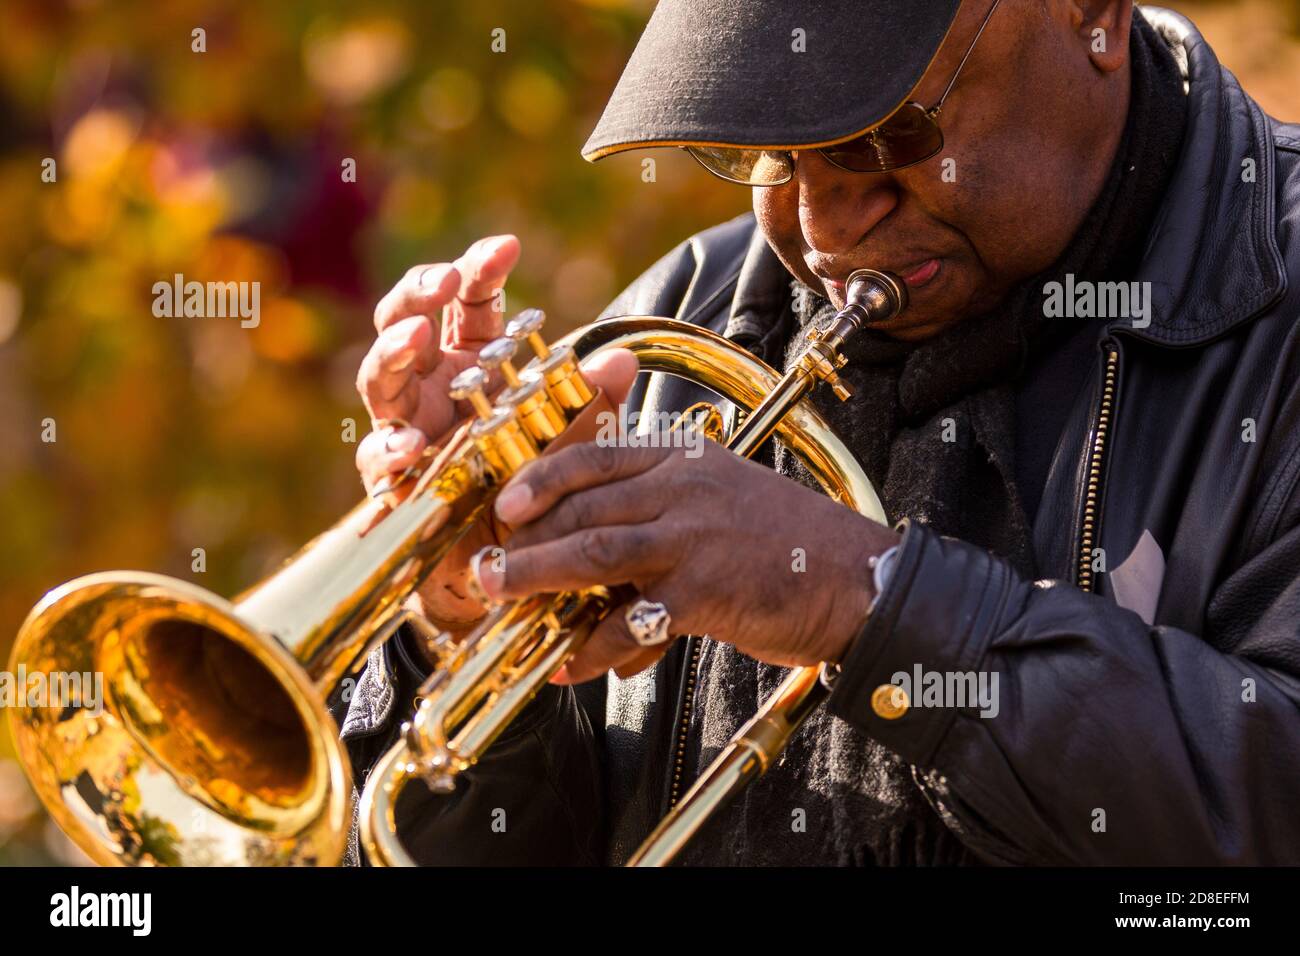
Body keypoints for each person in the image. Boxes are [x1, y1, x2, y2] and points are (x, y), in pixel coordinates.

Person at [340, 0, 1300, 865]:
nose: (823, 229)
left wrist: (864, 600)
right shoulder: (685, 318)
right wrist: (467, 629)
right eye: (764, 149)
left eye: (888, 136)